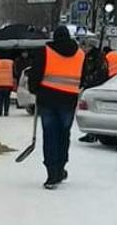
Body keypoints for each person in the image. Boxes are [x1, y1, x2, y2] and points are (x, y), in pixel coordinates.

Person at [29, 26, 85, 189]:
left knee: (50, 135)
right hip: (68, 101)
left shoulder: (45, 51)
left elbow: (35, 74)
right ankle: (60, 167)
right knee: (63, 135)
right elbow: (83, 76)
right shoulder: (80, 54)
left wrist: (35, 90)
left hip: (47, 100)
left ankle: (52, 172)